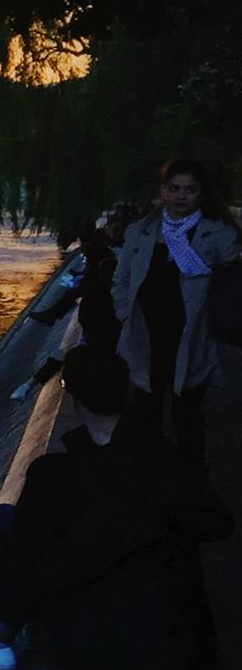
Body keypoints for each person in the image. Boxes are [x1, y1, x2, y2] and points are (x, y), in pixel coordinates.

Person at [0, 347, 233, 670]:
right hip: (184, 649)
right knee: (4, 521)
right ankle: (4, 605)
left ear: (70, 395)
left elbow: (53, 565)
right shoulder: (159, 453)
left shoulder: (63, 476)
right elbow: (216, 523)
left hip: (118, 654)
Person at [113, 158, 241, 466]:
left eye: (189, 190)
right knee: (146, 411)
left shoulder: (218, 234)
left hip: (192, 335)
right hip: (147, 334)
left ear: (201, 194)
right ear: (163, 191)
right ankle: (152, 479)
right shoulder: (141, 232)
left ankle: (194, 484)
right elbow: (123, 279)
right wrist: (124, 315)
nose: (181, 196)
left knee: (188, 415)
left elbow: (233, 281)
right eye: (174, 188)